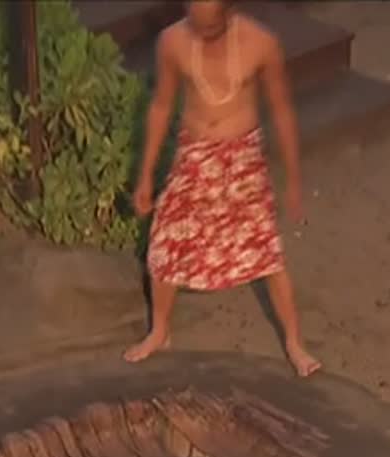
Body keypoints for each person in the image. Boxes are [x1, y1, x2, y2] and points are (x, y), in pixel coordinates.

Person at [125, 0, 321, 377]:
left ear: (229, 12)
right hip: (194, 154)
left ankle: (295, 343)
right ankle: (160, 331)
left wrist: (294, 178)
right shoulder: (172, 42)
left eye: (212, 29)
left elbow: (281, 108)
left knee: (266, 250)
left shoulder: (260, 43)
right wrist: (146, 174)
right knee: (165, 243)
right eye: (198, 25)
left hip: (242, 158)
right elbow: (162, 106)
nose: (204, 35)